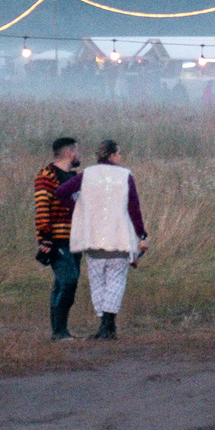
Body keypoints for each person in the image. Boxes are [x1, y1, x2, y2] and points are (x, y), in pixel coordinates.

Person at [68, 139, 148, 340]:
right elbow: (134, 208)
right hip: (119, 239)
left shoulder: (87, 174)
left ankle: (106, 326)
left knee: (97, 284)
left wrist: (80, 209)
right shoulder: (125, 176)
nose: (121, 158)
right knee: (115, 282)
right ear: (111, 155)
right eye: (119, 154)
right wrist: (142, 234)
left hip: (93, 240)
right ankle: (108, 326)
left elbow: (61, 192)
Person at [33, 136, 83, 342]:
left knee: (63, 283)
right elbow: (42, 207)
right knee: (68, 281)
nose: (79, 155)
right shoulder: (47, 175)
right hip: (57, 239)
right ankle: (59, 331)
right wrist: (45, 238)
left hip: (75, 238)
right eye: (77, 151)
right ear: (69, 152)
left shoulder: (74, 176)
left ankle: (59, 329)